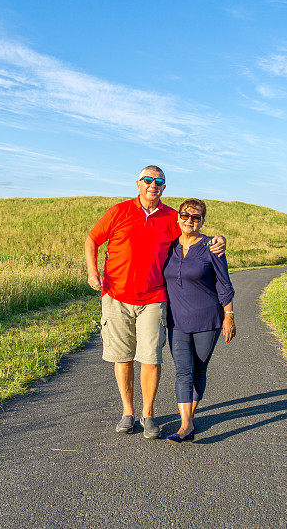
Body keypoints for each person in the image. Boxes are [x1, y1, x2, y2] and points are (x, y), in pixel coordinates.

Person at [84, 166, 226, 439]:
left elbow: (192, 231)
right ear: (138, 183)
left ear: (163, 187)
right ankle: (128, 413)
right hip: (116, 296)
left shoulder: (173, 216)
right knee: (122, 357)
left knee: (150, 357)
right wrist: (93, 272)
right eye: (148, 180)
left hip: (154, 299)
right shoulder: (118, 211)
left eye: (159, 181)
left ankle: (148, 415)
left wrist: (218, 241)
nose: (153, 185)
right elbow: (92, 239)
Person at [162, 198, 235, 443]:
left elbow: (224, 284)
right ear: (178, 217)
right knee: (183, 371)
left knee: (198, 371)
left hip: (208, 319)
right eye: (185, 216)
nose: (189, 221)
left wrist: (229, 317)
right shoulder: (168, 247)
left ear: (202, 221)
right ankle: (186, 426)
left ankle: (189, 419)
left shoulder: (211, 248)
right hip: (177, 321)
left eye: (196, 217)